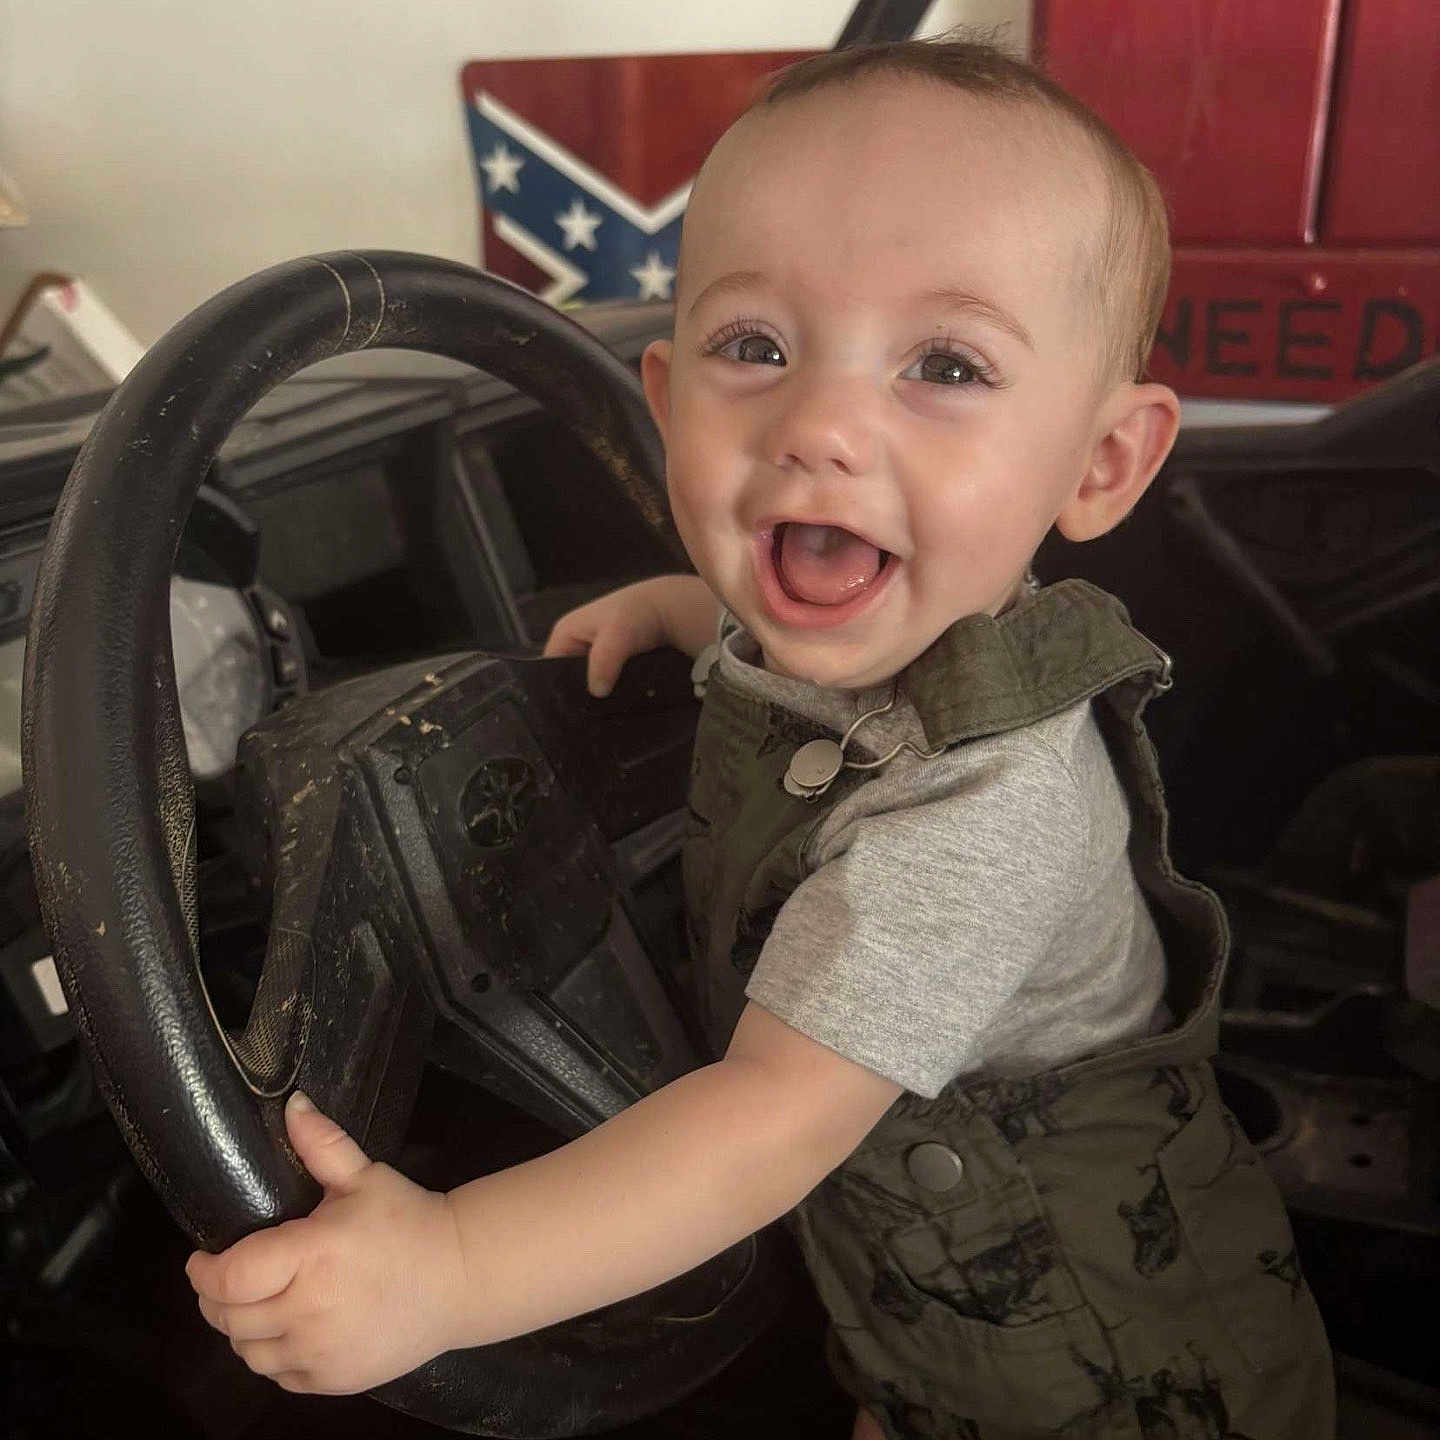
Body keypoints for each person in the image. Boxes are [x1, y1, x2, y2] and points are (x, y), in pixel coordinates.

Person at [187, 38, 1334, 1438]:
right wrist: (691, 607)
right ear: (665, 401)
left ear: (1101, 464)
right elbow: (806, 653)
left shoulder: (984, 808)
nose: (822, 421)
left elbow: (767, 1125)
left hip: (1092, 1363)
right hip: (931, 1285)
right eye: (755, 347)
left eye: (947, 365)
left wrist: (452, 1270)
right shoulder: (872, 616)